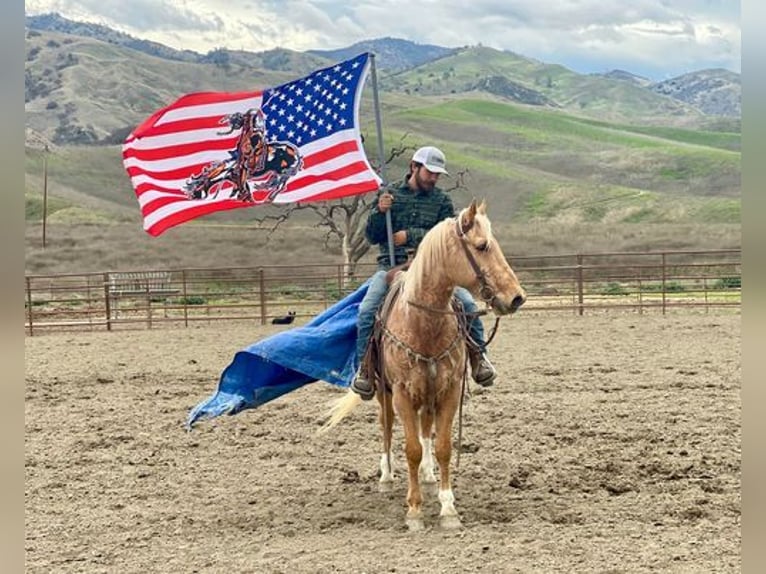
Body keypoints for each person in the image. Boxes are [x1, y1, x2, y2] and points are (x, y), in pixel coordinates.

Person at [351, 146, 497, 400]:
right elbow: (371, 236)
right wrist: (380, 212)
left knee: (468, 304)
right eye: (430, 172)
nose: (434, 178)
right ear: (414, 167)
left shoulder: (441, 201)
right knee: (366, 310)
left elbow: (451, 237)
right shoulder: (390, 195)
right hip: (391, 267)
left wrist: (411, 236)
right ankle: (365, 369)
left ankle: (479, 358)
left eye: (437, 175)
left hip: (433, 270)